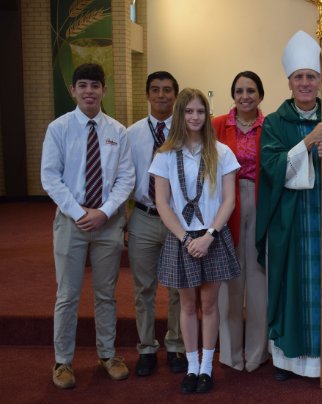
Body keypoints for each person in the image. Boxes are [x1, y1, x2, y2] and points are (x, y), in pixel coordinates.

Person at [255, 30, 322, 381]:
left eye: (311, 77)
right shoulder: (273, 122)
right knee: (290, 284)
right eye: (299, 77)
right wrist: (307, 142)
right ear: (289, 82)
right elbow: (271, 169)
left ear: (319, 82)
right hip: (288, 219)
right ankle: (288, 358)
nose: (305, 83)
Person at [41, 63, 135, 388]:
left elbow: (126, 179)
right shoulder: (59, 128)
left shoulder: (117, 132)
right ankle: (62, 362)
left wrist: (105, 213)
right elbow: (49, 176)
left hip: (108, 223)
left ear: (104, 90)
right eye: (82, 85)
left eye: (95, 85)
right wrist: (78, 211)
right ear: (73, 90)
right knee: (67, 294)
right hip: (70, 221)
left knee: (106, 294)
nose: (89, 91)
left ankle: (107, 354)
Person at [148, 88, 241, 394]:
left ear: (207, 114)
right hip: (182, 238)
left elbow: (229, 200)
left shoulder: (222, 152)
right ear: (180, 114)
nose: (195, 117)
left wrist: (209, 236)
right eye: (189, 111)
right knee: (187, 306)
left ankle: (207, 367)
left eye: (200, 111)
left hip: (212, 236)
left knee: (210, 304)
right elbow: (162, 203)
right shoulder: (164, 154)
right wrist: (187, 238)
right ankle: (190, 366)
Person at [126, 71, 187, 376]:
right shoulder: (132, 133)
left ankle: (176, 345)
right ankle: (147, 347)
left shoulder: (187, 131)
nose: (161, 95)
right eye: (155, 90)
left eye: (167, 90)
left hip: (179, 220)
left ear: (176, 96)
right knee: (143, 288)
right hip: (144, 216)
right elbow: (124, 177)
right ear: (147, 95)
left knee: (179, 288)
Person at [212, 71, 269, 373]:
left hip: (262, 201)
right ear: (232, 95)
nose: (245, 96)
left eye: (251, 90)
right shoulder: (217, 125)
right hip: (226, 203)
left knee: (259, 278)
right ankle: (231, 354)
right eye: (239, 91)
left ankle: (257, 352)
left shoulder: (270, 126)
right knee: (229, 279)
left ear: (260, 94)